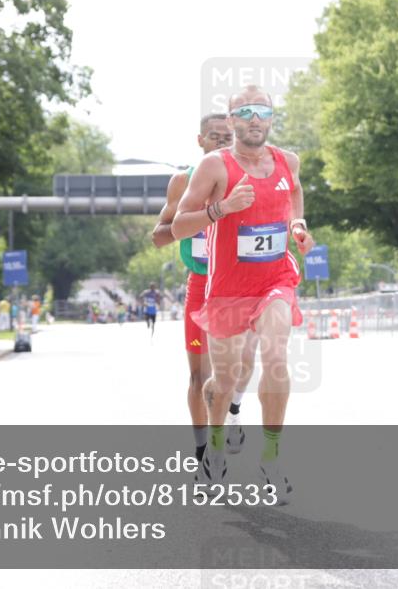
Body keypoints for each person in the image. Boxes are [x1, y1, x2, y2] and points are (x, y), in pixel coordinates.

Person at [172, 85, 314, 503]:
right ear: (232, 119)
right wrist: (222, 209)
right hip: (228, 289)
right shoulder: (213, 167)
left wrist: (297, 225)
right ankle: (215, 451)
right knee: (225, 379)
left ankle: (271, 458)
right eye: (246, 111)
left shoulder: (288, 161)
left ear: (271, 118)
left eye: (263, 111)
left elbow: (295, 193)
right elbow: (179, 226)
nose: (255, 118)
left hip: (275, 280)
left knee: (276, 356)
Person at [152, 113, 256, 465]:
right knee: (199, 376)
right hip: (201, 283)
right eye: (215, 137)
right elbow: (158, 236)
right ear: (200, 140)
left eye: (229, 137)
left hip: (240, 284)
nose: (222, 143)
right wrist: (200, 221)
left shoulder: (249, 178)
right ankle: (202, 455)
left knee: (242, 365)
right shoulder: (184, 181)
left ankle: (234, 410)